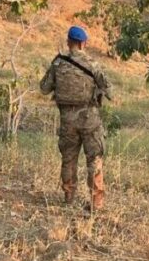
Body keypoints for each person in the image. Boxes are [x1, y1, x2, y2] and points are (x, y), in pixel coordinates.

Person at [39, 26, 112, 210]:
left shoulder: (58, 64)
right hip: (90, 119)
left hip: (67, 119)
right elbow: (109, 90)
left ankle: (69, 198)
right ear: (83, 43)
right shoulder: (93, 64)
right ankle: (96, 202)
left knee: (69, 158)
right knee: (94, 158)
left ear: (68, 41)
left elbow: (44, 88)